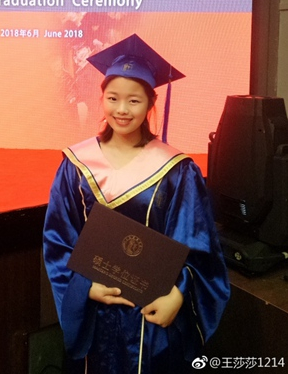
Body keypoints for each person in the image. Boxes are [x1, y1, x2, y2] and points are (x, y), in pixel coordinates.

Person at [43, 34, 230, 374]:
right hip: (97, 315)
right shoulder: (76, 164)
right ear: (102, 98)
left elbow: (198, 246)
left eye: (134, 101)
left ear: (150, 104)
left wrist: (178, 295)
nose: (122, 110)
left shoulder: (176, 170)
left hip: (153, 319)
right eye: (113, 98)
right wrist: (85, 288)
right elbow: (59, 239)